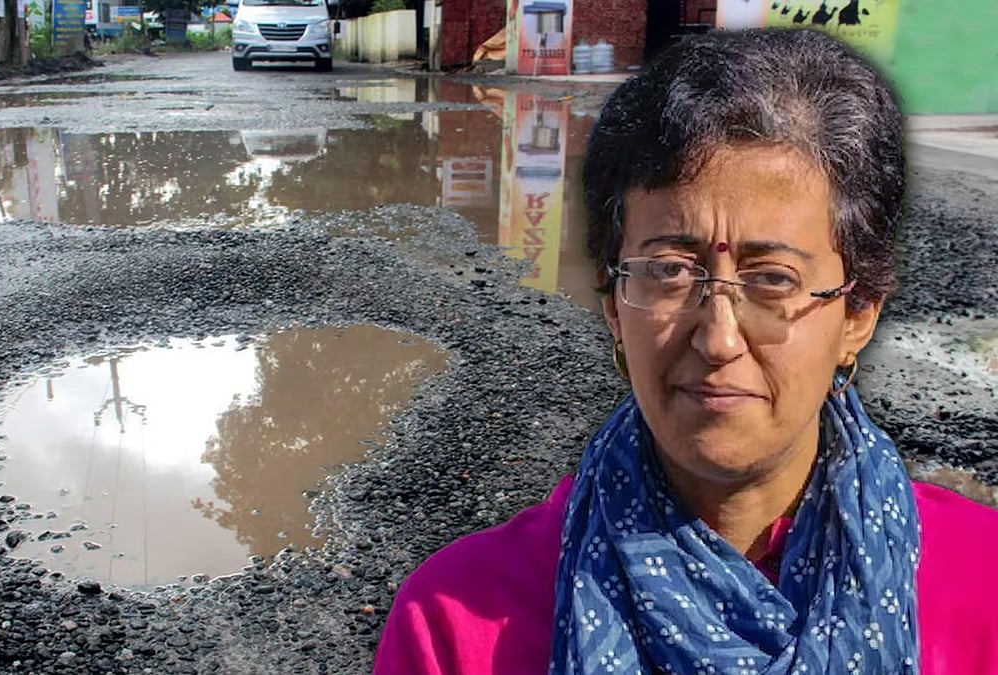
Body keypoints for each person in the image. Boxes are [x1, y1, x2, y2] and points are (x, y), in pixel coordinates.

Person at [374, 27, 998, 675]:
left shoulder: (982, 590)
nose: (719, 338)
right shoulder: (459, 625)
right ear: (614, 304)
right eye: (670, 270)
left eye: (772, 279)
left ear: (858, 310)